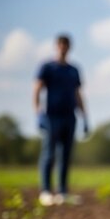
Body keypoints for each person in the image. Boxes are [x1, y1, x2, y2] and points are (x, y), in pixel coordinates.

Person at [34, 34, 88, 206]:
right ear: (56, 46)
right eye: (61, 45)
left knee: (65, 155)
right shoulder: (47, 67)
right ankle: (45, 191)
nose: (63, 48)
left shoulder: (73, 70)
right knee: (49, 153)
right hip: (52, 116)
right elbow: (37, 90)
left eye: (66, 45)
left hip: (69, 116)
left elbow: (77, 94)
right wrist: (38, 113)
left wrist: (85, 117)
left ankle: (62, 192)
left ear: (69, 47)